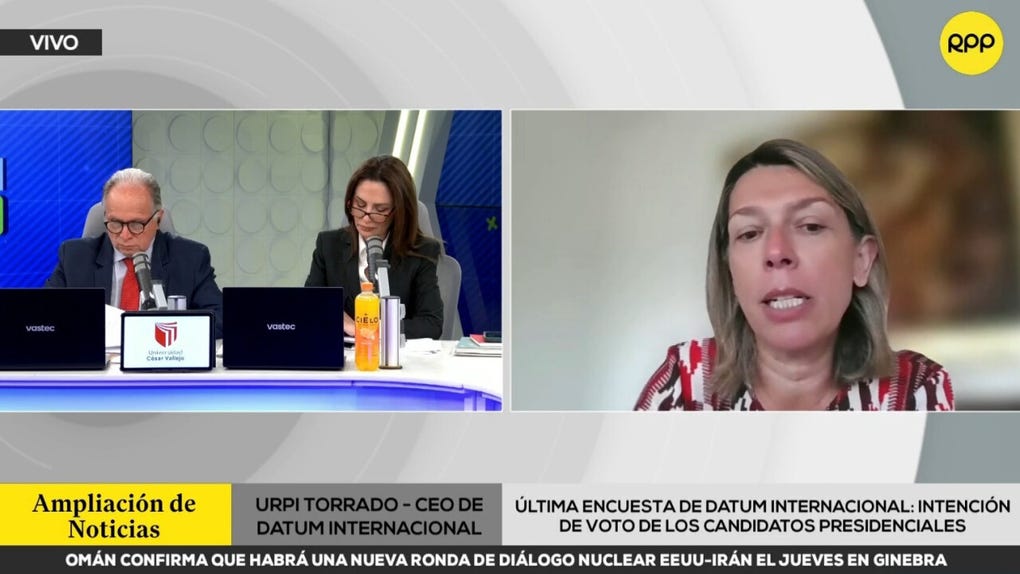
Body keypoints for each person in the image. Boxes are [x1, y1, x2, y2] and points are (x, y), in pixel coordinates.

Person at [634, 139, 954, 411]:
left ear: (861, 260)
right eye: (749, 233)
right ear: (729, 272)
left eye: (810, 226)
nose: (777, 252)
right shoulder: (686, 384)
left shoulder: (916, 390)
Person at [45, 168, 224, 338]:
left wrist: (162, 332)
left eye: (136, 225)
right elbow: (44, 317)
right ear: (105, 217)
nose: (124, 235)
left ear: (158, 219)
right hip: (96, 358)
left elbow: (220, 319)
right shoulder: (74, 257)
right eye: (115, 223)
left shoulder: (190, 259)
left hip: (160, 355)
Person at [304, 155, 443, 340]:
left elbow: (431, 324)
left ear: (399, 212)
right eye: (359, 205)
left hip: (396, 354)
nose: (366, 217)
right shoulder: (329, 245)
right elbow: (310, 305)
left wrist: (368, 329)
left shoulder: (422, 251)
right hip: (343, 353)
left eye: (380, 210)